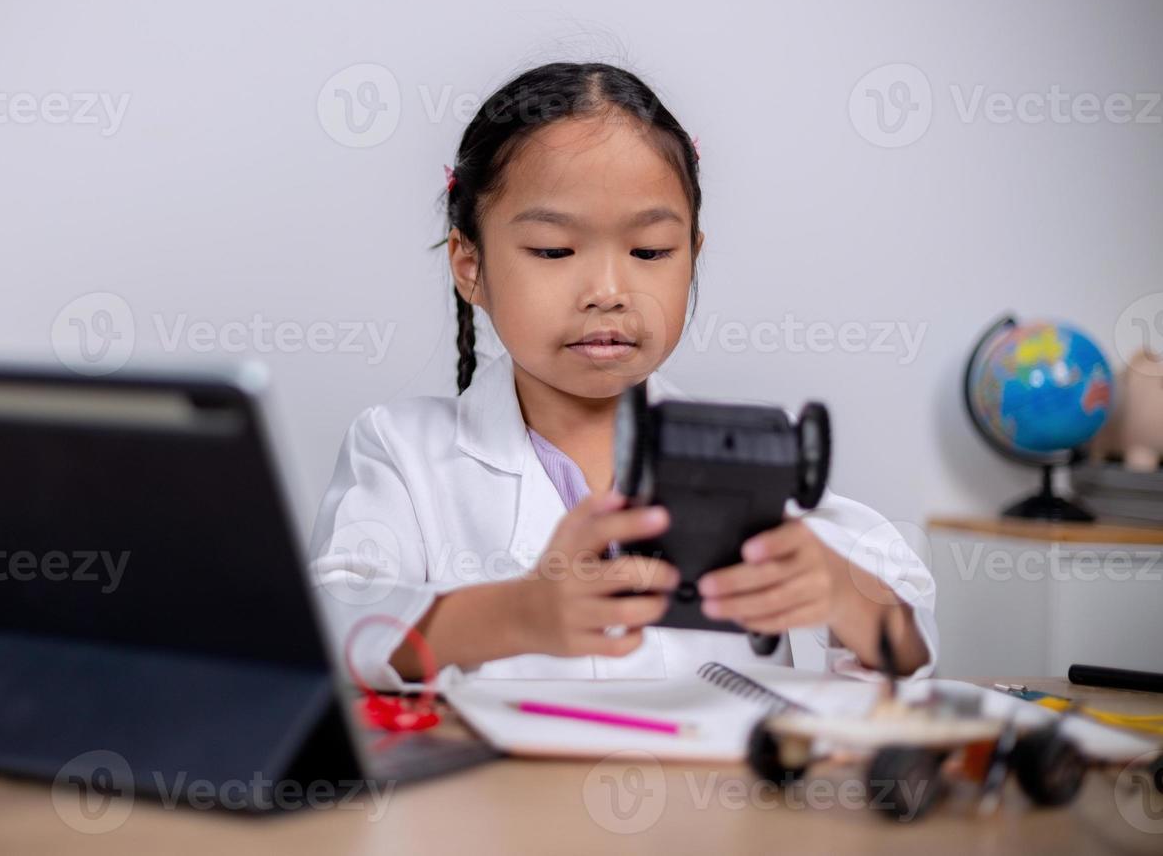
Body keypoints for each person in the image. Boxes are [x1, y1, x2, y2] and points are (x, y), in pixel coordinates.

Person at [309, 62, 936, 690]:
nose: (607, 292)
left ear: (692, 255)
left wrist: (843, 598)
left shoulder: (751, 457)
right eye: (554, 251)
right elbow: (331, 629)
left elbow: (911, 642)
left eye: (650, 252)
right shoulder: (401, 453)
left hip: (717, 791)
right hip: (494, 791)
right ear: (470, 264)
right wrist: (516, 615)